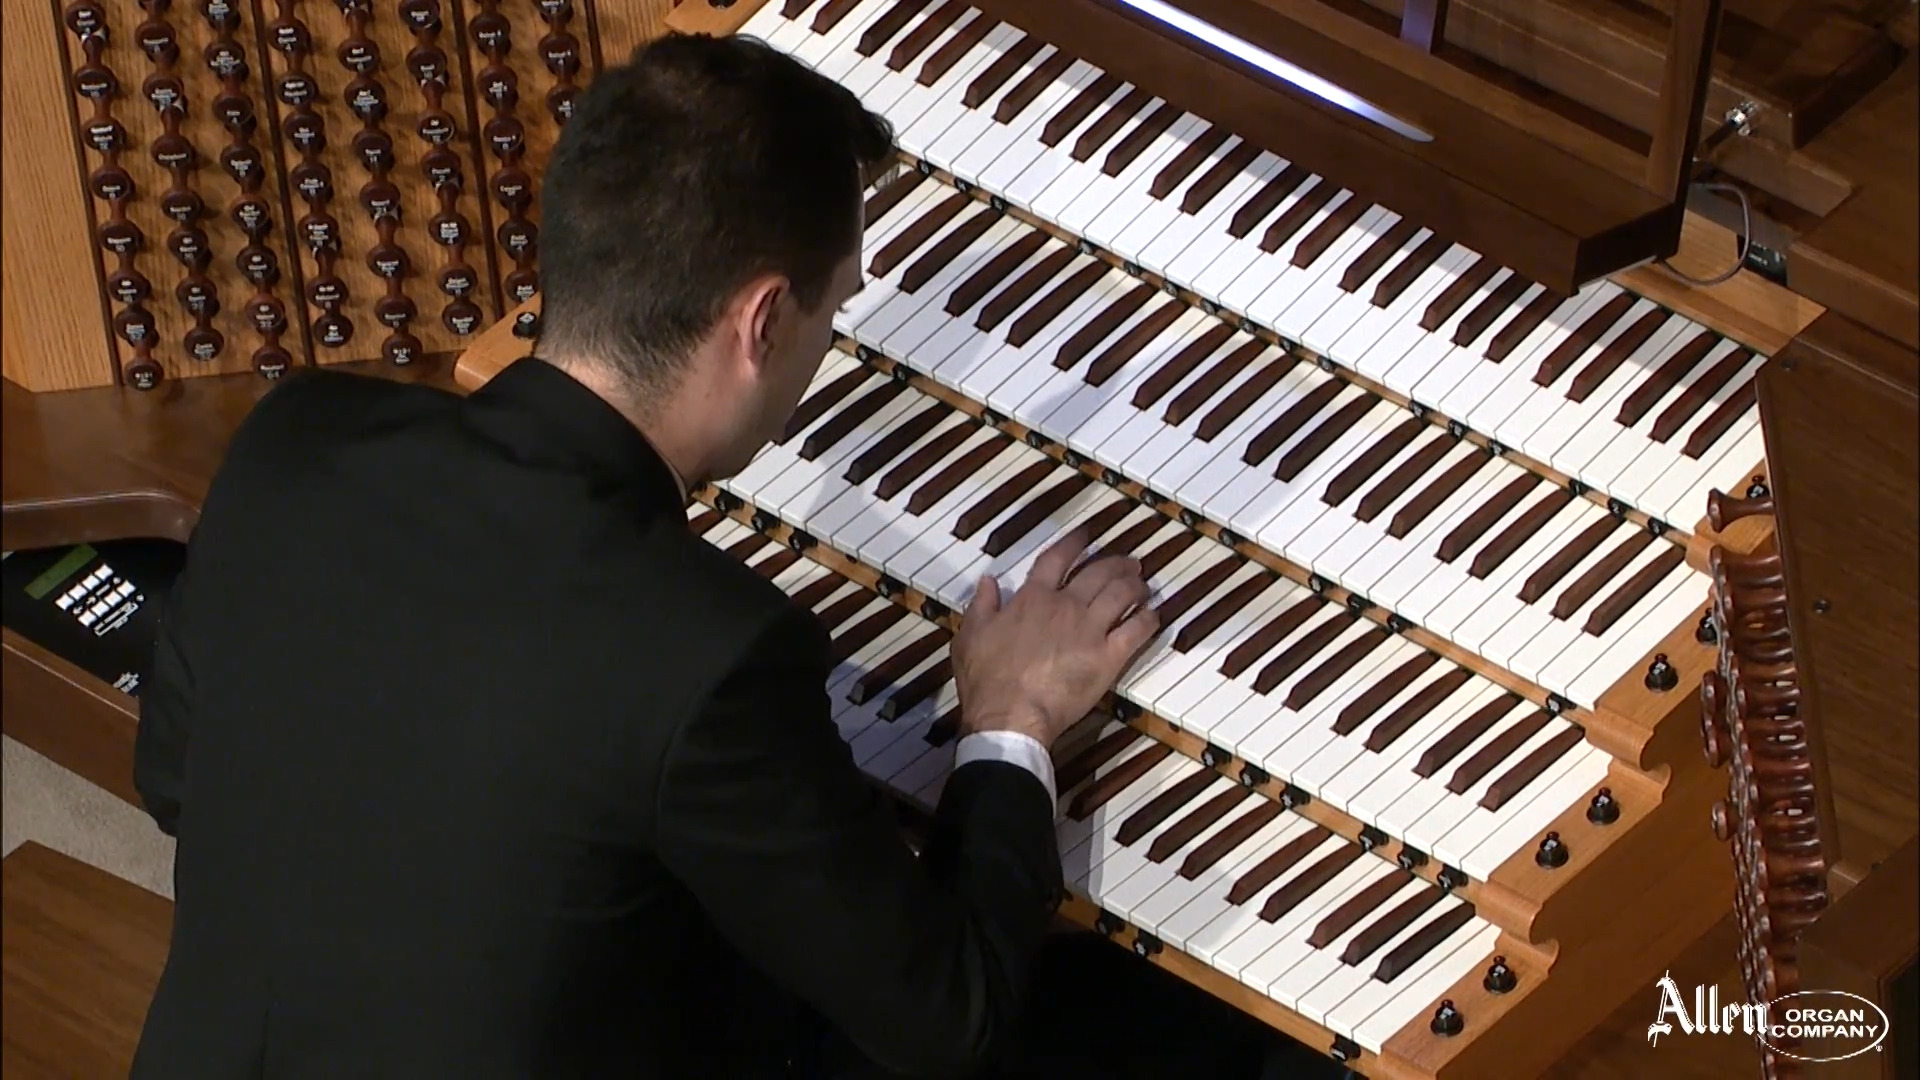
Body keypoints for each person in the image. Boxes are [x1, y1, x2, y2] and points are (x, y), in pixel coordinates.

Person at [131, 32, 1299, 1080]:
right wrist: (1012, 721)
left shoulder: (301, 439)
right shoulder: (707, 653)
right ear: (762, 321)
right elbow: (951, 1019)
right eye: (834, 309)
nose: (827, 338)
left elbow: (176, 776)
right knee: (1150, 1027)